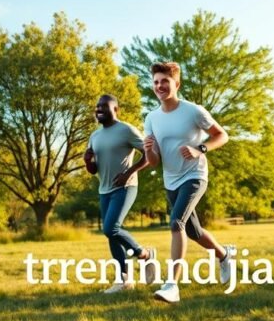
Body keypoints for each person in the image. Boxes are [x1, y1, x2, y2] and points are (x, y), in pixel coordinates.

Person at [142, 61, 235, 303]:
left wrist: (200, 149)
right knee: (193, 231)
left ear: (177, 84)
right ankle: (224, 255)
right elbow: (154, 161)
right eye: (156, 82)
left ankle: (172, 285)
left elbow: (222, 135)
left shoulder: (193, 111)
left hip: (195, 175)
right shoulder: (151, 118)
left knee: (176, 223)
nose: (159, 86)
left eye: (165, 81)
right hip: (170, 180)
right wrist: (149, 150)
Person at [84, 94, 157, 293]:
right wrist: (88, 161)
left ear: (115, 109)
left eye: (104, 106)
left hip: (125, 187)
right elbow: (93, 169)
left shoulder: (126, 130)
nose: (99, 109)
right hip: (104, 190)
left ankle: (145, 254)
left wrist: (128, 173)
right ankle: (124, 281)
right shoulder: (94, 136)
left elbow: (149, 155)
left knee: (111, 229)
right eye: (97, 106)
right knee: (112, 235)